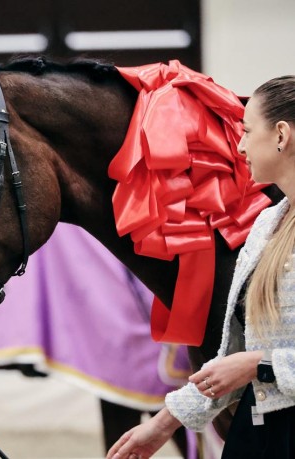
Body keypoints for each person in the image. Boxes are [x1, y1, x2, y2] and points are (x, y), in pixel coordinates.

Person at [106, 75, 295, 459]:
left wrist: (259, 365)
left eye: (246, 131)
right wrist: (162, 424)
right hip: (259, 429)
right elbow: (232, 357)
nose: (240, 145)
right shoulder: (266, 225)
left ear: (281, 134)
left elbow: (245, 362)